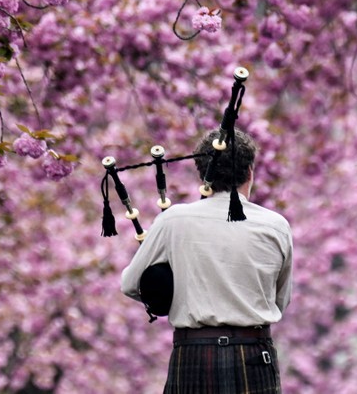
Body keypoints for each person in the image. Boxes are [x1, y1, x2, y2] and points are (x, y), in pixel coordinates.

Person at [121, 128, 293, 394]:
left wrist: (168, 292)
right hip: (254, 357)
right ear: (249, 172)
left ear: (203, 174)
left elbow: (131, 284)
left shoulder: (173, 220)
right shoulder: (276, 226)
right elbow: (280, 300)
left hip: (193, 355)